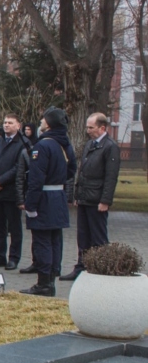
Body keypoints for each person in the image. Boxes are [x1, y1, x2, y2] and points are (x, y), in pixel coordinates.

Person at [21, 108, 77, 296]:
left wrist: (31, 204)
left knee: (42, 241)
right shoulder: (64, 144)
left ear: (50, 123)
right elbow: (72, 169)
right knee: (55, 240)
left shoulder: (43, 146)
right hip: (58, 196)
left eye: (44, 119)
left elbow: (36, 178)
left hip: (44, 198)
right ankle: (51, 279)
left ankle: (44, 283)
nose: (41, 122)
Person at [60, 112, 121, 281]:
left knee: (98, 236)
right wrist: (77, 195)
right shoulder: (90, 145)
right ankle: (82, 266)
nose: (88, 130)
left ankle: (101, 268)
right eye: (87, 127)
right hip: (85, 197)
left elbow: (111, 177)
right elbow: (82, 172)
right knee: (83, 235)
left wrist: (105, 200)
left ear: (102, 128)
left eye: (91, 127)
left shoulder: (110, 147)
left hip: (97, 199)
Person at [0, 113, 32, 270]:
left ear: (18, 125)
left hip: (11, 191)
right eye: (5, 122)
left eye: (10, 123)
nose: (6, 125)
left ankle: (14, 257)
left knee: (14, 226)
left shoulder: (23, 143)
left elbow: (19, 167)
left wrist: (1, 181)